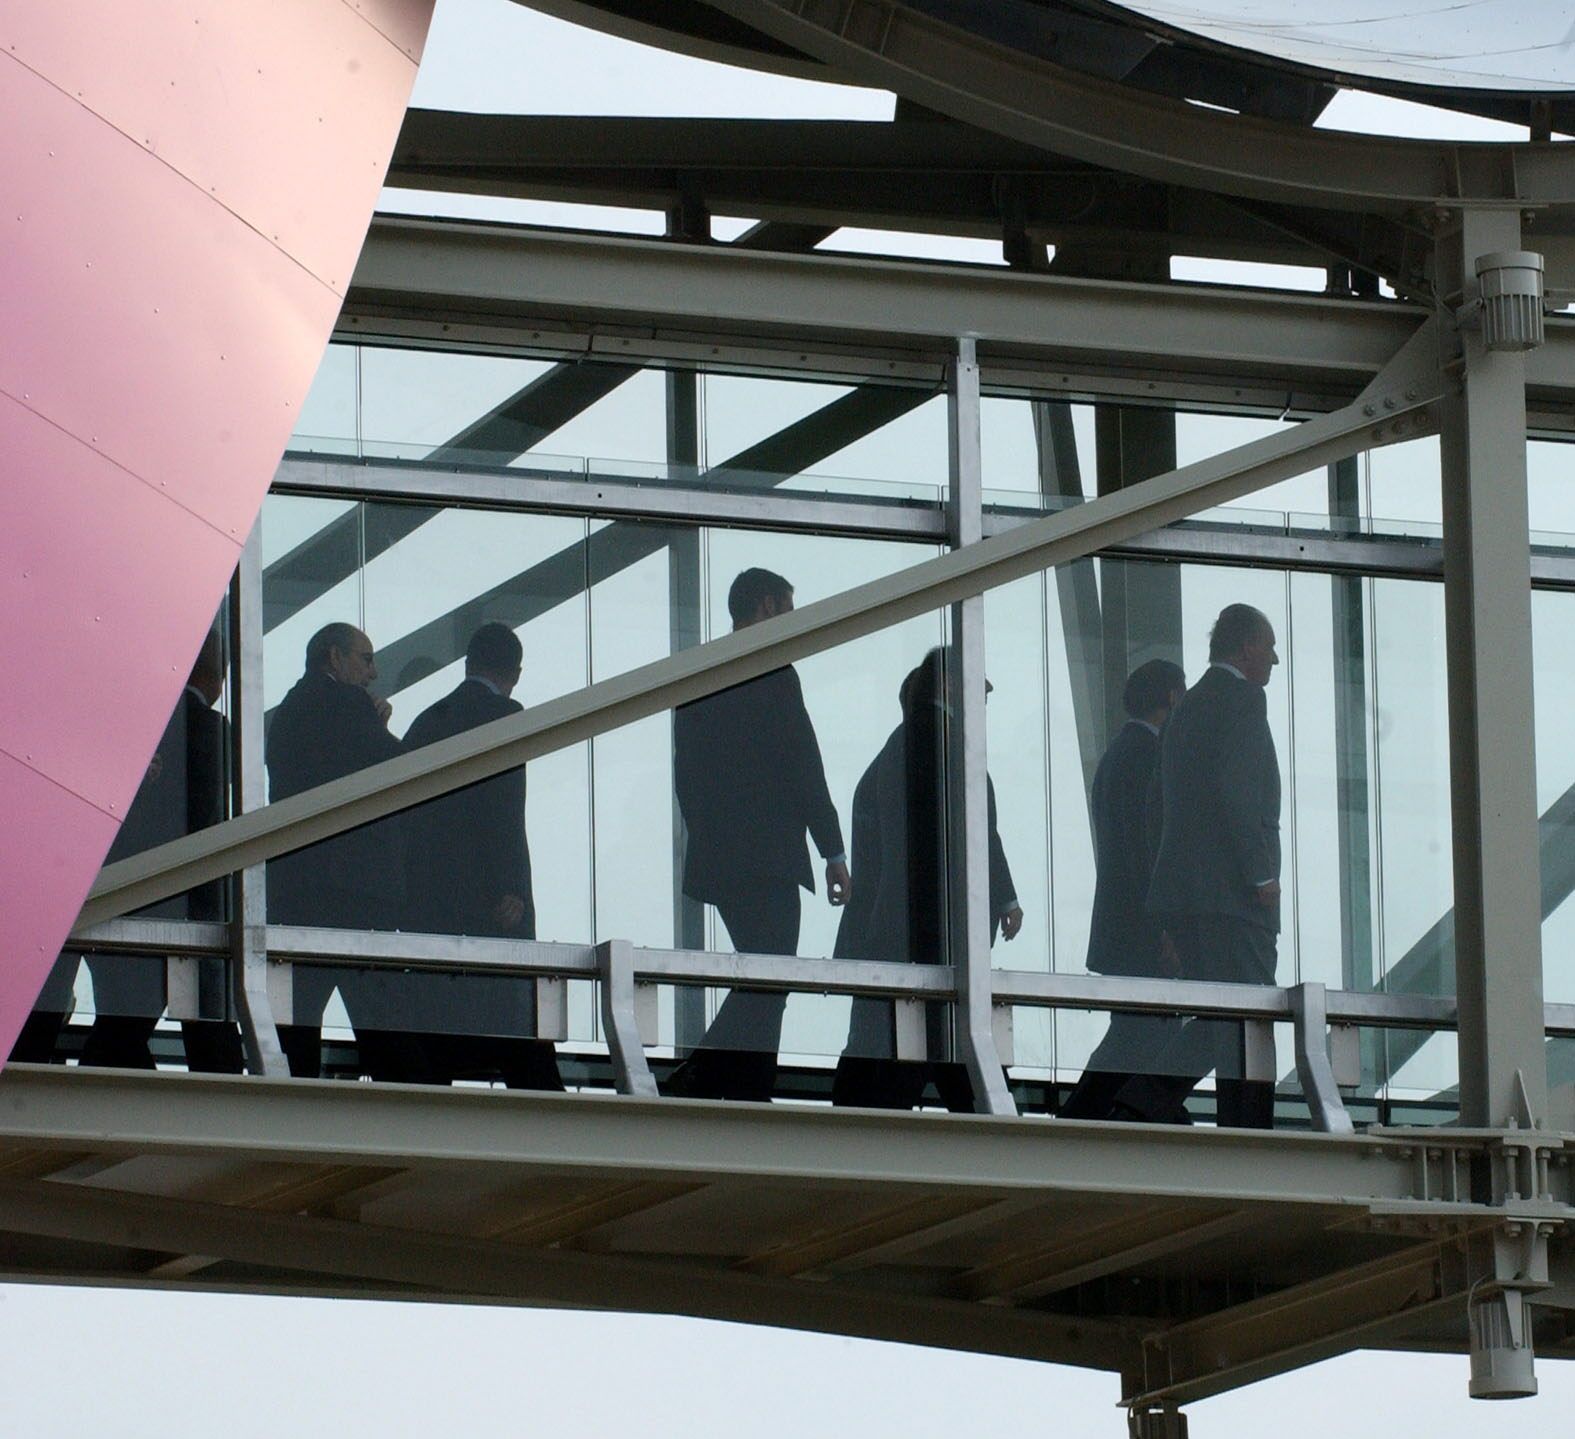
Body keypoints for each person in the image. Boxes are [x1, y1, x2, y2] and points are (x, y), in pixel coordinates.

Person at [667, 568, 850, 1102]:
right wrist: (833, 851)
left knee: (764, 976)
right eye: (788, 611)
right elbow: (804, 767)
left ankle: (741, 1085)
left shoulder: (698, 672)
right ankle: (706, 1077)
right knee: (771, 977)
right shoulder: (775, 672)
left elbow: (687, 780)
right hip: (768, 859)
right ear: (767, 607)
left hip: (719, 859)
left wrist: (710, 836)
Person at [1109, 604, 1282, 1129]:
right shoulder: (1243, 700)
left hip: (1183, 898)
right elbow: (1241, 793)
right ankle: (1234, 1125)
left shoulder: (1184, 709)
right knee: (1249, 1014)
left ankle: (1152, 1098)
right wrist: (1262, 874)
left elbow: (1155, 809)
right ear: (1247, 647)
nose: (1275, 660)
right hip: (1233, 897)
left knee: (1221, 1014)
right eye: (1270, 647)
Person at [832, 647, 1022, 1112]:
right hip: (928, 927)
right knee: (930, 1037)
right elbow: (972, 831)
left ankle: (872, 1112)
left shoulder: (894, 751)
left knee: (897, 1037)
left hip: (894, 927)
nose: (985, 696)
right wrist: (998, 899)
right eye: (977, 685)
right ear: (949, 686)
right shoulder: (942, 743)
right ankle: (983, 1118)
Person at [398, 623, 562, 1090]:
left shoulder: (427, 721)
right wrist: (508, 890)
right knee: (515, 1022)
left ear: (469, 664)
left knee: (444, 1019)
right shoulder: (504, 715)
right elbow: (502, 813)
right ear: (516, 672)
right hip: (489, 903)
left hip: (431, 900)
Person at [76, 630, 245, 1073]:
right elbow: (206, 817)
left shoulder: (128, 726)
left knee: (122, 1024)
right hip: (187, 907)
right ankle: (227, 1116)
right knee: (204, 1026)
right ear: (217, 673)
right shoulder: (204, 726)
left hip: (123, 897)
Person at [266, 622, 407, 1079]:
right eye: (365, 659)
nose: (372, 673)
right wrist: (378, 726)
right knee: (381, 1021)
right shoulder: (347, 705)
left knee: (299, 1018)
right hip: (356, 893)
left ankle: (293, 1112)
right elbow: (396, 768)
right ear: (334, 658)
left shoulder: (287, 711)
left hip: (297, 888)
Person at [1058, 658, 1186, 1120]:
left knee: (1146, 1033)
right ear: (1171, 697)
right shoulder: (1146, 758)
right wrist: (1165, 930)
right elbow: (1145, 853)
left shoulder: (1116, 756)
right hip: (1141, 931)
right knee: (1143, 1034)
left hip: (1121, 928)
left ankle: (1135, 1116)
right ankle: (1084, 1117)